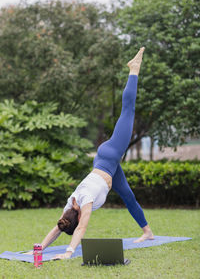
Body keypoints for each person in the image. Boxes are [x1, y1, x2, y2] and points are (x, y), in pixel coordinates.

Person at [26, 47, 154, 260]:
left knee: (128, 110)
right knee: (128, 196)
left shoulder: (84, 203)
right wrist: (38, 249)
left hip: (110, 155)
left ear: (76, 216)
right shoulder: (70, 206)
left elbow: (81, 229)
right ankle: (147, 232)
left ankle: (134, 69)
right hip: (106, 165)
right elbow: (58, 227)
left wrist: (68, 252)